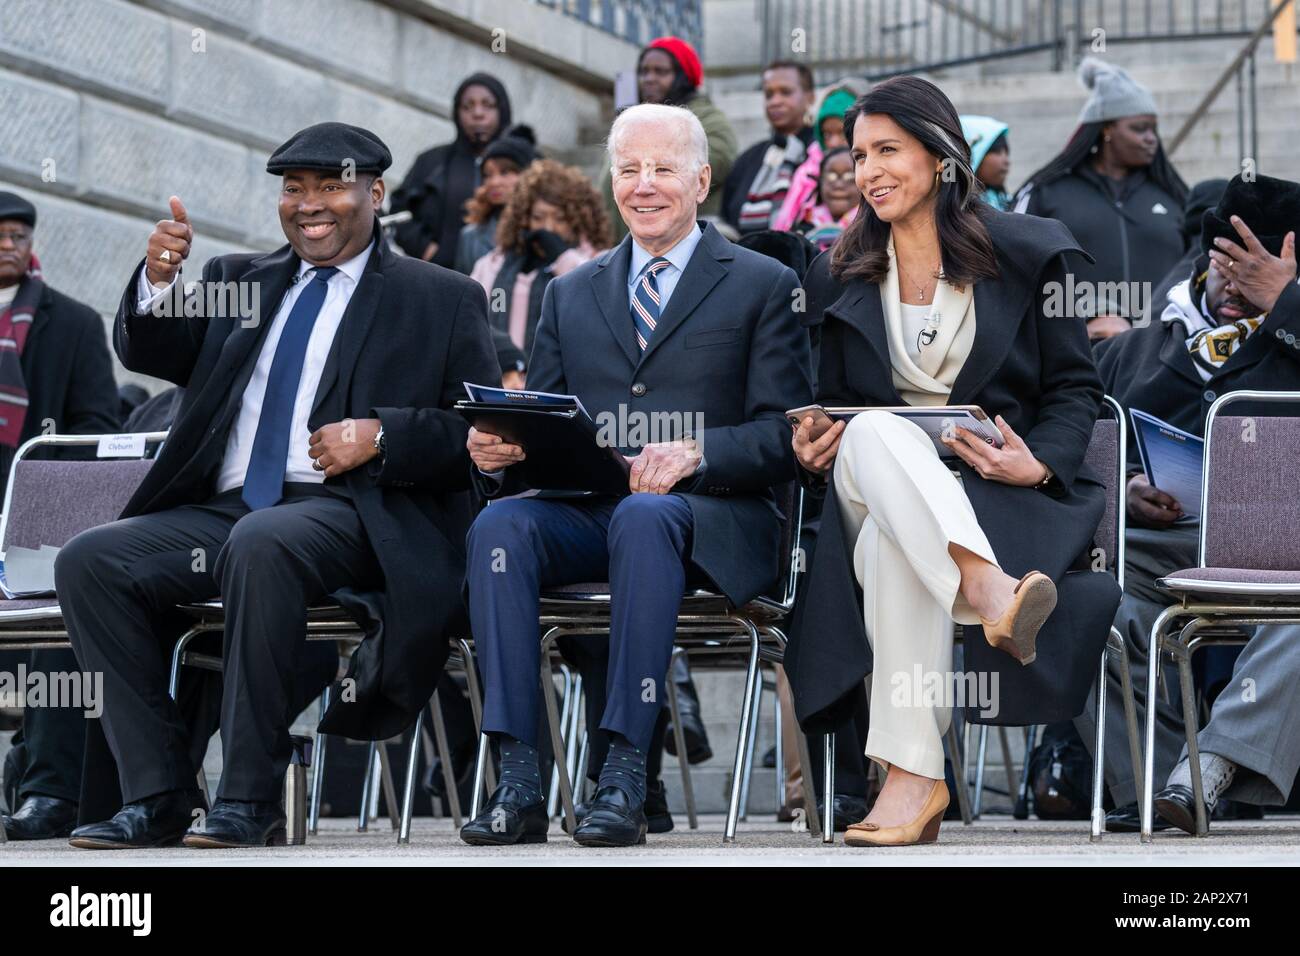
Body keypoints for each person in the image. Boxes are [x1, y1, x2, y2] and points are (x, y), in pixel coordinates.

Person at [54, 122, 499, 850]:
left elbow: (474, 437)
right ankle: (159, 790)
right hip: (225, 509)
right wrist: (159, 285)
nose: (309, 204)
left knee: (264, 543)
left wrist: (380, 435)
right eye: (294, 190)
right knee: (91, 560)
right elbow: (155, 350)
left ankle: (249, 796)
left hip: (351, 512)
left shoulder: (440, 297)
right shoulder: (240, 280)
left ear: (376, 192)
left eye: (331, 186)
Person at [458, 102, 813, 848]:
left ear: (702, 177)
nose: (643, 185)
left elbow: (784, 439)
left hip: (716, 520)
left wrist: (697, 452)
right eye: (628, 170)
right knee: (500, 526)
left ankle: (623, 770)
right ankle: (520, 775)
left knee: (646, 517)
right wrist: (504, 452)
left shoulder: (762, 282)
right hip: (595, 510)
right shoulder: (570, 292)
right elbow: (548, 423)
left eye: (662, 168)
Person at [784, 77, 1119, 847]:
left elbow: (1076, 392)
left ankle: (913, 782)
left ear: (940, 157)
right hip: (876, 488)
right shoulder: (834, 273)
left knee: (892, 548)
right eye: (858, 154)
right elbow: (822, 404)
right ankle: (985, 588)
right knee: (868, 434)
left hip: (1001, 498)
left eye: (887, 151)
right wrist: (810, 444)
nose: (868, 170)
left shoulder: (1032, 254)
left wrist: (1038, 466)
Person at [1073, 173, 1300, 834]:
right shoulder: (1145, 345)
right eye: (1226, 264)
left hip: (1284, 552)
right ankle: (1155, 783)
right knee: (1088, 595)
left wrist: (1285, 303)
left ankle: (1214, 767)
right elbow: (1093, 442)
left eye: (1258, 266)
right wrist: (1132, 484)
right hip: (1169, 541)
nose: (1236, 284)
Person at [0, 191, 120, 842]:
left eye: (18, 234)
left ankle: (48, 790)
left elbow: (97, 430)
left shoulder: (71, 323)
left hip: (38, 524)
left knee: (60, 612)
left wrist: (37, 492)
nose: (8, 245)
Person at [1015, 57, 1187, 341]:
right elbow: (1015, 269)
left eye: (1153, 130)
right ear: (1106, 129)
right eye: (1139, 128)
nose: (1151, 139)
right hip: (1074, 351)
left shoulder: (1174, 198)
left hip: (1161, 355)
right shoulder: (1047, 193)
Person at [469, 159, 612, 358]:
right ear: (523, 218)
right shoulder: (492, 264)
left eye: (560, 219)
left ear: (578, 219)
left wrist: (563, 257)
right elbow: (475, 318)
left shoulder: (600, 261)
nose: (548, 228)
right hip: (503, 377)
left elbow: (598, 300)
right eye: (538, 217)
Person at [600, 36, 738, 241]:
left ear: (683, 76)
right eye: (644, 71)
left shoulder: (708, 118)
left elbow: (719, 159)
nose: (649, 78)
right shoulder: (631, 123)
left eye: (660, 72)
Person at [389, 73, 511, 268]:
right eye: (467, 106)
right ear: (456, 112)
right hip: (440, 278)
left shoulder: (526, 163)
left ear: (502, 111)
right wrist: (427, 251)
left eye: (488, 105)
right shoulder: (431, 161)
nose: (478, 113)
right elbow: (400, 212)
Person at [722, 61, 817, 234]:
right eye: (769, 94)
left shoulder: (819, 154)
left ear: (810, 97)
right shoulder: (749, 158)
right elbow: (728, 214)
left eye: (786, 92)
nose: (775, 101)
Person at [772, 82, 862, 234]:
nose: (833, 143)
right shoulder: (807, 173)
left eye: (842, 133)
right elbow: (784, 221)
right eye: (827, 135)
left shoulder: (869, 167)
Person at [453, 125, 538, 275]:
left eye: (505, 172)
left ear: (527, 175)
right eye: (487, 175)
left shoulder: (543, 229)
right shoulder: (470, 236)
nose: (494, 182)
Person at [959, 115, 1011, 211]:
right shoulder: (958, 207)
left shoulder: (1004, 200)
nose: (1006, 161)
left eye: (1007, 153)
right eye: (997, 151)